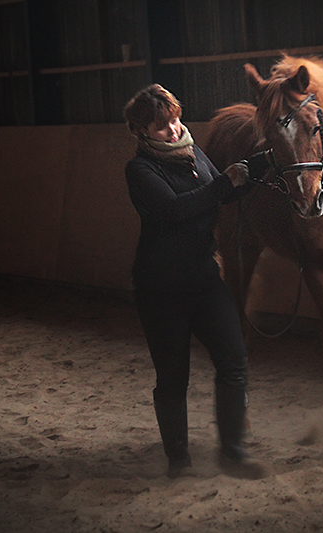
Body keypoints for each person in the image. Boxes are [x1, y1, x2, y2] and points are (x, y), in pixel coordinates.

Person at [123, 84, 268, 480]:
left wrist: (256, 171)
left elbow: (221, 194)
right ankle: (179, 461)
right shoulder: (140, 170)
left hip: (204, 278)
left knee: (234, 359)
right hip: (161, 288)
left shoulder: (194, 153)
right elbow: (173, 209)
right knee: (173, 377)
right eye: (160, 127)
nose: (173, 131)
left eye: (174, 120)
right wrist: (225, 184)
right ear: (141, 132)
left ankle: (233, 452)